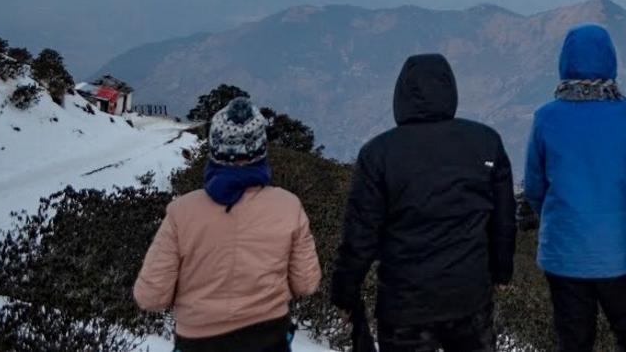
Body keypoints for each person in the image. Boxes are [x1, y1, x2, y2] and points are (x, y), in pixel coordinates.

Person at [331, 53, 517, 352]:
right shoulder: (486, 141)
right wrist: (501, 272)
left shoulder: (378, 153)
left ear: (400, 95)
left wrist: (345, 293)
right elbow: (504, 219)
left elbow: (360, 235)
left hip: (404, 303)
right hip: (469, 294)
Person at [134, 98, 322, 352]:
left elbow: (150, 296)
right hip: (268, 339)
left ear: (214, 149)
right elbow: (307, 283)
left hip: (198, 342)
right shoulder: (288, 206)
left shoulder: (182, 212)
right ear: (261, 150)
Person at [524, 24, 626, 352]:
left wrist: (562, 219)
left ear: (564, 62)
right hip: (620, 252)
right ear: (610, 60)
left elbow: (534, 186)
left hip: (564, 253)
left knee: (574, 341)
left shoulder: (546, 117)